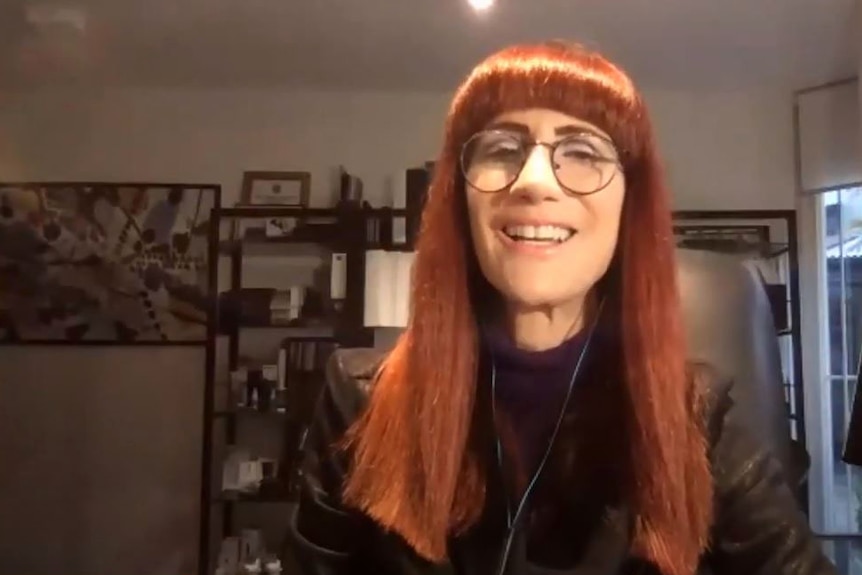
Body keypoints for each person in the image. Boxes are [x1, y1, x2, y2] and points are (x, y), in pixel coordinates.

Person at [287, 41, 836, 575]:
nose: (533, 182)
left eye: (582, 152)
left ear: (629, 204)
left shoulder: (696, 416)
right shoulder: (359, 399)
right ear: (460, 199)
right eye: (502, 148)